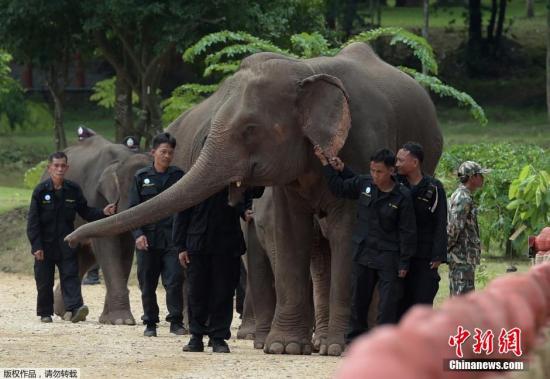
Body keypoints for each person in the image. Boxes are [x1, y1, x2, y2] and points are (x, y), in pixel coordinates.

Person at [314, 146, 416, 344]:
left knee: (387, 304)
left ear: (391, 171)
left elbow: (408, 232)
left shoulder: (402, 196)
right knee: (358, 300)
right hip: (364, 253)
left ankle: (384, 343)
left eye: (379, 172)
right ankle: (355, 342)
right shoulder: (365, 184)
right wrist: (328, 166)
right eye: (372, 171)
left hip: (389, 256)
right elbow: (340, 188)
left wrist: (404, 263)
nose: (375, 175)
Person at [27, 152, 116, 323]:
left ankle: (75, 309)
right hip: (44, 245)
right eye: (56, 166)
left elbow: (85, 211)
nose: (60, 169)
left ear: (67, 168)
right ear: (50, 168)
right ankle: (45, 313)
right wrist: (36, 246)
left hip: (66, 242)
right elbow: (33, 222)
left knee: (70, 275)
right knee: (44, 280)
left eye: (63, 166)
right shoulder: (40, 191)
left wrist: (103, 213)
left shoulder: (73, 190)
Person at [173, 186, 263, 353]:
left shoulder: (233, 181)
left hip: (227, 246)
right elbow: (182, 214)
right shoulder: (196, 183)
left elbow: (252, 192)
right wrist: (180, 247)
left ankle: (218, 338)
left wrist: (245, 211)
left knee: (224, 293)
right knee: (197, 293)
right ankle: (196, 337)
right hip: (198, 246)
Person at [127, 132, 185, 337]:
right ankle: (150, 322)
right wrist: (138, 235)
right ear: (153, 152)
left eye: (170, 152)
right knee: (147, 283)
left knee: (175, 280)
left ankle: (176, 321)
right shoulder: (141, 178)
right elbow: (132, 210)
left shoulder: (179, 176)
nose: (167, 156)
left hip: (172, 239)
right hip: (147, 240)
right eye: (163, 152)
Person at [395, 142, 447, 317]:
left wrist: (438, 255)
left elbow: (441, 222)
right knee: (400, 302)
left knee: (422, 301)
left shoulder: (434, 188)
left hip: (424, 254)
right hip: (400, 254)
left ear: (415, 163)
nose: (397, 164)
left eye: (401, 160)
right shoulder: (395, 184)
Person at [447, 160, 490, 296]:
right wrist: (447, 250)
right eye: (480, 175)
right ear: (472, 177)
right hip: (461, 258)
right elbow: (454, 228)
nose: (483, 178)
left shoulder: (462, 195)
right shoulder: (463, 198)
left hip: (462, 257)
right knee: (462, 300)